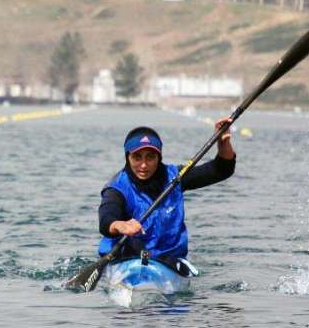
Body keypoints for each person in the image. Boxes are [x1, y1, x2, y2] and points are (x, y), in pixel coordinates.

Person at [98, 117, 236, 275]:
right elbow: (106, 219)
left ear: (159, 157)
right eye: (137, 157)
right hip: (126, 260)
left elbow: (222, 170)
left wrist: (223, 142)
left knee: (171, 264)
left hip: (169, 262)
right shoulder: (117, 188)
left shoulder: (175, 177)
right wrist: (119, 225)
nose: (143, 165)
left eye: (150, 157)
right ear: (127, 157)